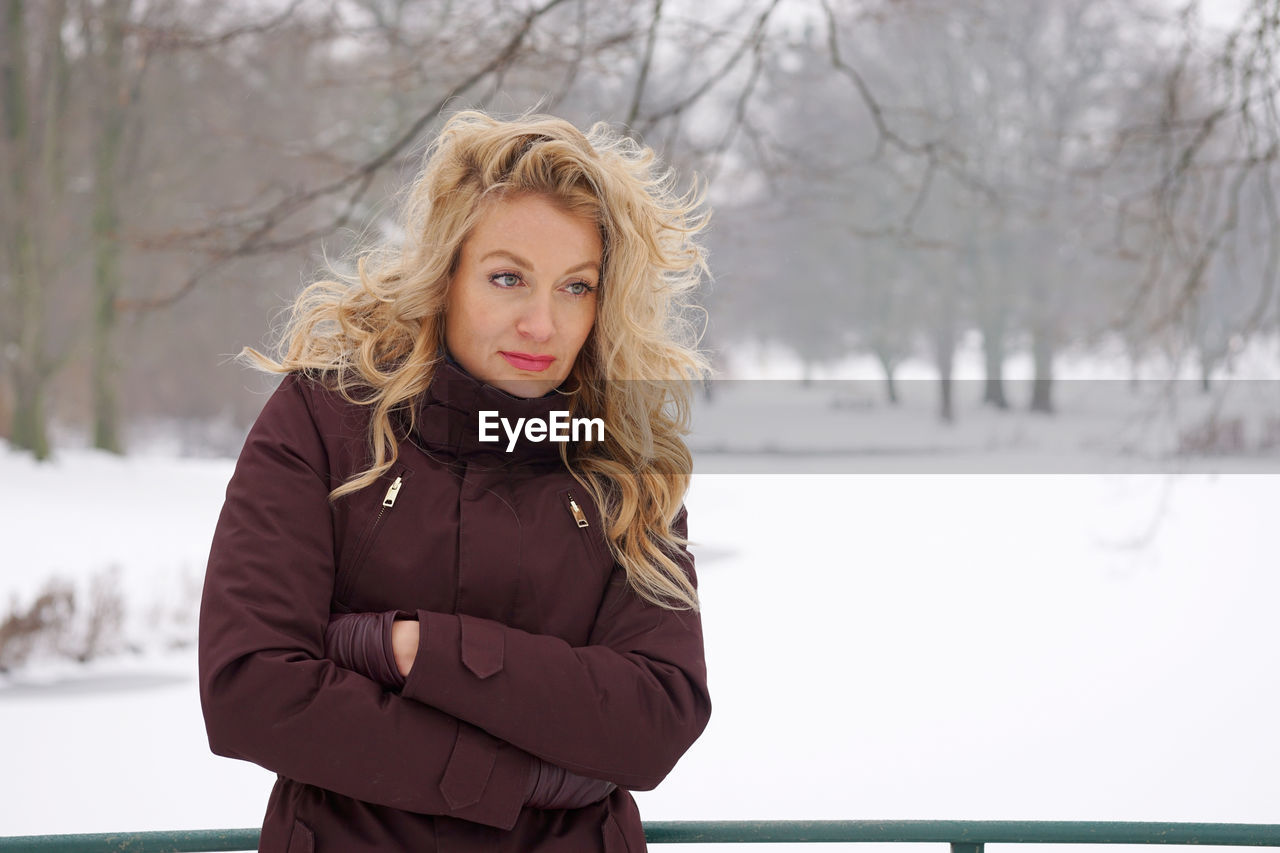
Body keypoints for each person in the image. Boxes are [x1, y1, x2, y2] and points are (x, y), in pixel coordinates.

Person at [197, 109, 712, 853]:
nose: (543, 323)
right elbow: (251, 689)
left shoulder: (625, 465)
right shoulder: (323, 421)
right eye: (508, 278)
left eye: (576, 287)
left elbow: (657, 716)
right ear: (446, 275)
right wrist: (532, 778)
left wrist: (406, 648)